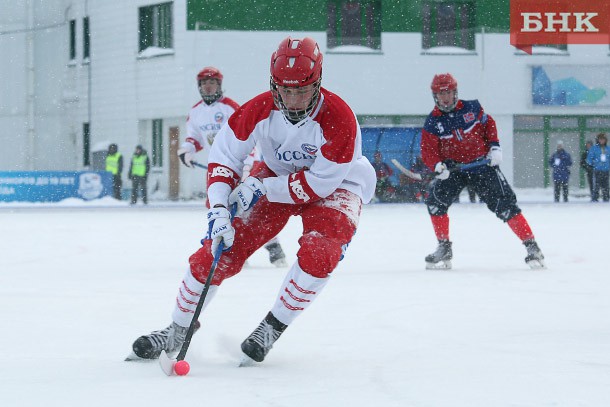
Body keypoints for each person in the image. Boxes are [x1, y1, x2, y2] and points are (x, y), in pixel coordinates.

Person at [130, 36, 376, 364]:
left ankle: (272, 327)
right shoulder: (257, 109)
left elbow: (316, 185)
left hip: (338, 183)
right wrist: (218, 208)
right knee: (220, 250)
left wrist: (261, 188)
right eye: (284, 90)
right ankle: (177, 328)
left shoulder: (340, 119)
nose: (292, 100)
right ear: (273, 84)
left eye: (301, 91)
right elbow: (224, 159)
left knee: (321, 252)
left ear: (317, 84)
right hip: (274, 174)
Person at [420, 73, 545, 270]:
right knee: (435, 202)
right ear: (434, 96)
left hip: (481, 166)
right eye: (440, 94)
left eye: (448, 92)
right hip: (455, 170)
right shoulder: (432, 122)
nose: (445, 97)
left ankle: (532, 247)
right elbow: (428, 150)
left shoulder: (473, 108)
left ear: (455, 92)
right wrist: (437, 166)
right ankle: (444, 247)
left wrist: (495, 147)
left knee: (506, 206)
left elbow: (489, 126)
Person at [178, 66, 287, 267]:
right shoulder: (195, 112)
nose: (208, 87)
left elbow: (248, 136)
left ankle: (274, 249)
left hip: (242, 163)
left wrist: (247, 167)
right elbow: (194, 138)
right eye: (204, 83)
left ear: (219, 85)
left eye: (212, 82)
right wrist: (187, 151)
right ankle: (226, 248)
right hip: (218, 164)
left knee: (251, 208)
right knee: (217, 205)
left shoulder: (231, 108)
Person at [587, 132, 610, 202]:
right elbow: (589, 159)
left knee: (606, 186)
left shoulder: (608, 149)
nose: (602, 141)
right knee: (596, 186)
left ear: (606, 140)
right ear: (598, 140)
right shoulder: (594, 149)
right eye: (600, 139)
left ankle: (606, 198)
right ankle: (595, 199)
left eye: (603, 139)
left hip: (606, 170)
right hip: (597, 170)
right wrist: (594, 163)